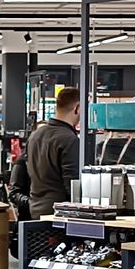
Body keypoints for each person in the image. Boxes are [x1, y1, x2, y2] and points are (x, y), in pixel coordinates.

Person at [27, 86, 81, 218]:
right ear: (77, 108)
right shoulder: (69, 139)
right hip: (59, 214)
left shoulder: (36, 135)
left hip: (36, 210)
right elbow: (72, 184)